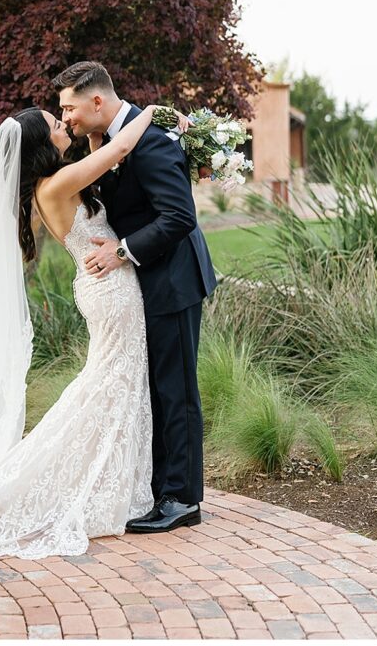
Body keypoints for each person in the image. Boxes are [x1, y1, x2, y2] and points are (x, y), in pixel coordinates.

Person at [0, 101, 186, 560]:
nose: (65, 125)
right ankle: (85, 477)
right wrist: (155, 111)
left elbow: (106, 149)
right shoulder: (59, 183)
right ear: (43, 145)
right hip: (110, 291)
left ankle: (120, 476)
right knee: (110, 384)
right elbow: (122, 145)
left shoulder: (56, 181)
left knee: (116, 383)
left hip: (108, 286)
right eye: (56, 124)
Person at [52, 61, 217, 534]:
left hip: (174, 280)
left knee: (177, 390)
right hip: (146, 283)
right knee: (159, 390)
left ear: (97, 101)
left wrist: (123, 251)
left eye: (70, 107)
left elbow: (179, 217)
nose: (66, 118)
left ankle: (183, 500)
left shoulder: (152, 140)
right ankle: (162, 488)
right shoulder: (107, 141)